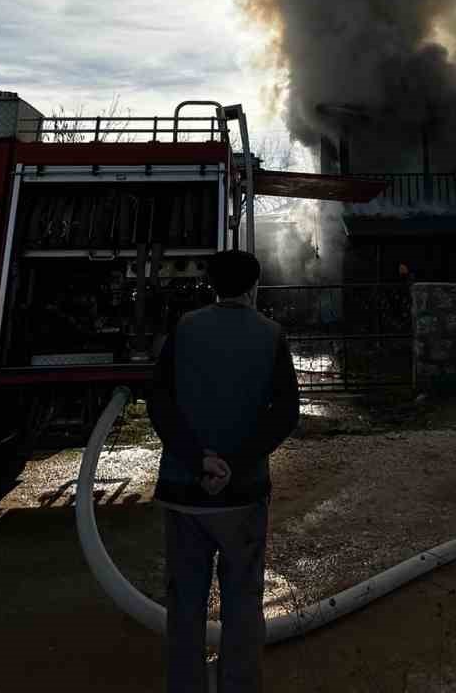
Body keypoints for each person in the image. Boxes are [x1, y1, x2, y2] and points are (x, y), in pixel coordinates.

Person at [148, 248, 300, 693]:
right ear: (254, 286)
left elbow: (159, 400)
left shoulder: (184, 329)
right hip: (242, 494)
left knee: (185, 605)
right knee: (243, 602)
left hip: (183, 491)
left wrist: (199, 460)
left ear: (212, 285)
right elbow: (286, 412)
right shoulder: (271, 334)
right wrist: (234, 464)